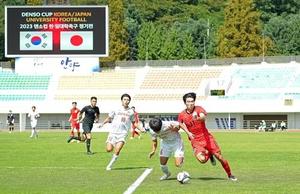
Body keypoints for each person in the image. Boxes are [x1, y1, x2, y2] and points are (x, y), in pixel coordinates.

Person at [178, 92, 237, 181]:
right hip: (195, 140)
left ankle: (230, 175)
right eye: (188, 101)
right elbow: (180, 123)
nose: (190, 103)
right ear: (185, 103)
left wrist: (197, 118)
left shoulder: (198, 109)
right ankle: (209, 154)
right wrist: (188, 133)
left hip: (207, 138)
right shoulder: (182, 114)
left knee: (220, 157)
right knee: (202, 160)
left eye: (192, 101)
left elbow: (203, 117)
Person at [102, 93, 145, 170]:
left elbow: (134, 122)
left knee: (117, 150)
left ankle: (110, 165)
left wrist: (141, 128)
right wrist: (102, 124)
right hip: (113, 133)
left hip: (123, 133)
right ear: (121, 100)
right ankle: (114, 145)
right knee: (108, 149)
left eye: (128, 100)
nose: (126, 101)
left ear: (129, 101)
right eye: (124, 99)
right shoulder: (116, 109)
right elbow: (109, 118)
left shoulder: (131, 111)